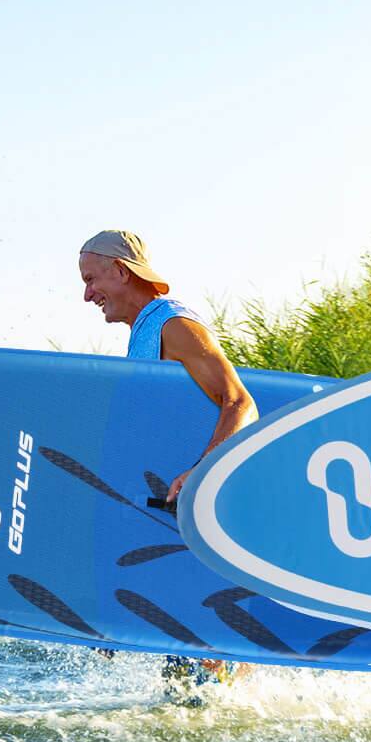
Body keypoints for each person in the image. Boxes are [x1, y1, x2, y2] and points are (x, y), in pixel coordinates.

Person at [78, 228, 257, 691]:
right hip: (172, 524)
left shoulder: (173, 324)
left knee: (203, 687)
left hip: (206, 518)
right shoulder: (145, 334)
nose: (86, 295)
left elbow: (239, 402)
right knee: (182, 686)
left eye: (92, 279)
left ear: (121, 271)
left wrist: (203, 472)